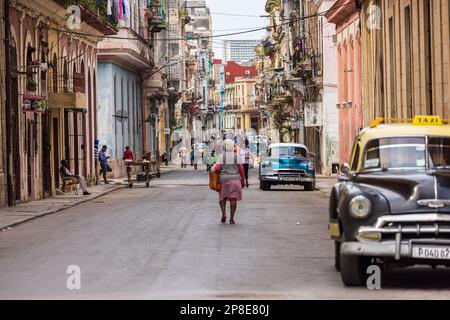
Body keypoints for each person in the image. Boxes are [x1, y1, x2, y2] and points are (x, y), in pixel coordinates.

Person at [213, 139, 245, 225]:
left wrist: (214, 168)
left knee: (222, 198)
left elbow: (218, 168)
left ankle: (223, 213)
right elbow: (241, 169)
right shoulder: (236, 156)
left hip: (224, 180)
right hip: (235, 180)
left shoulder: (221, 156)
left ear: (224, 147)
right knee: (233, 199)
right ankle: (231, 218)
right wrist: (243, 180)